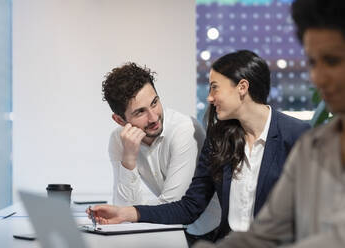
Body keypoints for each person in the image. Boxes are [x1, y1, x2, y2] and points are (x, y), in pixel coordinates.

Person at [89, 51, 311, 245]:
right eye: (140, 111)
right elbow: (189, 206)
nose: (209, 97)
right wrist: (126, 213)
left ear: (242, 87)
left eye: (215, 88)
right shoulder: (219, 137)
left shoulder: (296, 135)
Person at [191, 0, 345, 247]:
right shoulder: (311, 147)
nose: (317, 77)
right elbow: (266, 233)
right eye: (313, 63)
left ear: (243, 87)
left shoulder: (294, 135)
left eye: (333, 61)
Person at [101, 62, 221, 238]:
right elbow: (124, 213)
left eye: (154, 102)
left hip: (212, 231)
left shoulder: (184, 130)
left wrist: (129, 213)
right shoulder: (119, 141)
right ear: (119, 120)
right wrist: (129, 159)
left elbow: (173, 207)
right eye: (140, 112)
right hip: (173, 232)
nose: (154, 117)